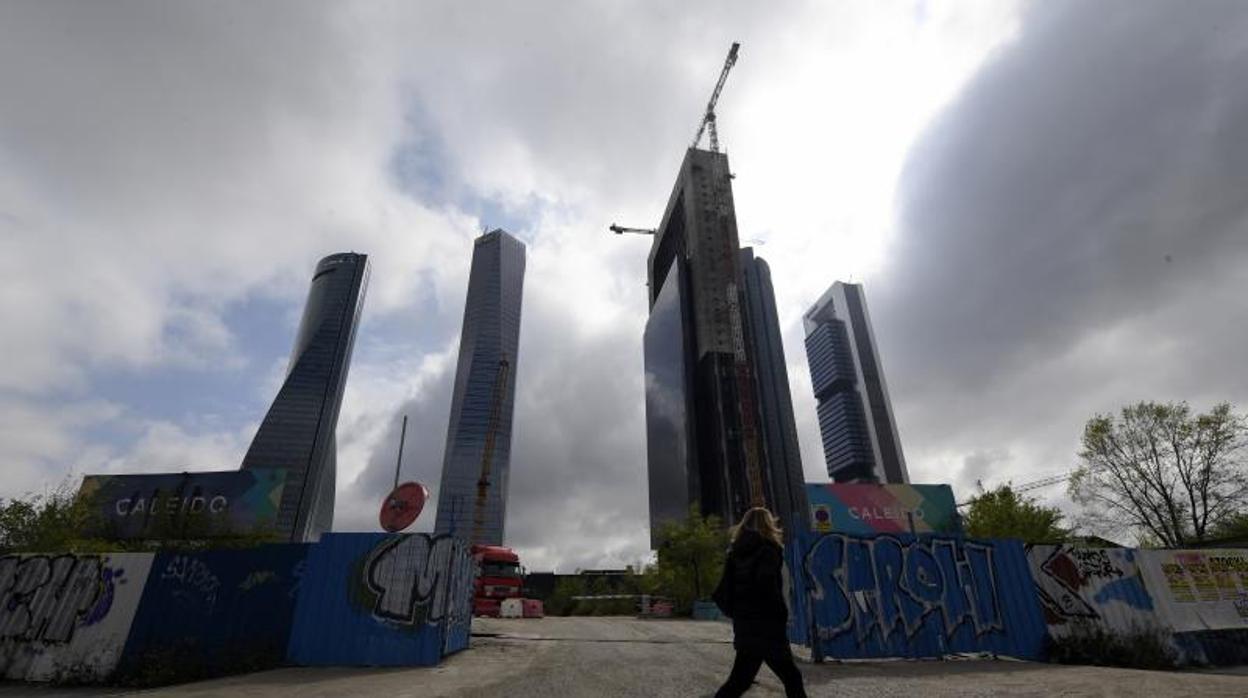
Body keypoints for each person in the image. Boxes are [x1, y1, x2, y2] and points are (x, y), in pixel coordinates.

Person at [711, 507, 807, 698]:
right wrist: (781, 615)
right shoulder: (769, 550)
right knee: (792, 677)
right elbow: (767, 586)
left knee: (739, 682)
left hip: (746, 626)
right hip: (768, 628)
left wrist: (739, 614)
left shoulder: (735, 553)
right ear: (768, 524)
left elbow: (723, 590)